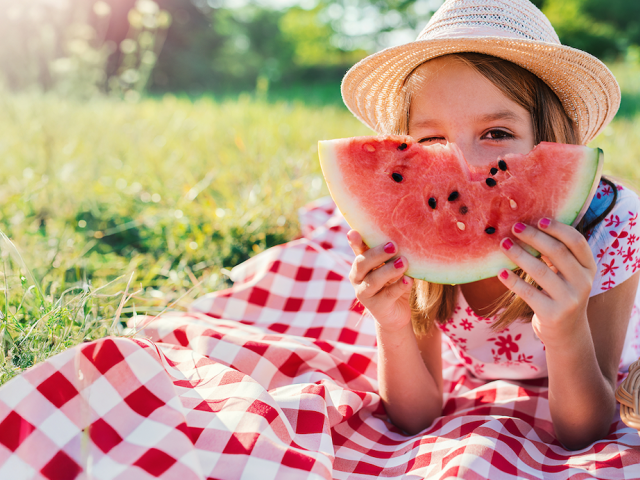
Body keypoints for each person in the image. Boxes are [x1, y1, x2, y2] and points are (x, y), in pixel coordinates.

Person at [341, 0, 640, 450]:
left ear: (550, 140)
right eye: (432, 141)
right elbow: (415, 416)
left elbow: (586, 432)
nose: (463, 165)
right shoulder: (413, 231)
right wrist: (392, 326)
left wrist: (565, 329)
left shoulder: (612, 227)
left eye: (496, 134)